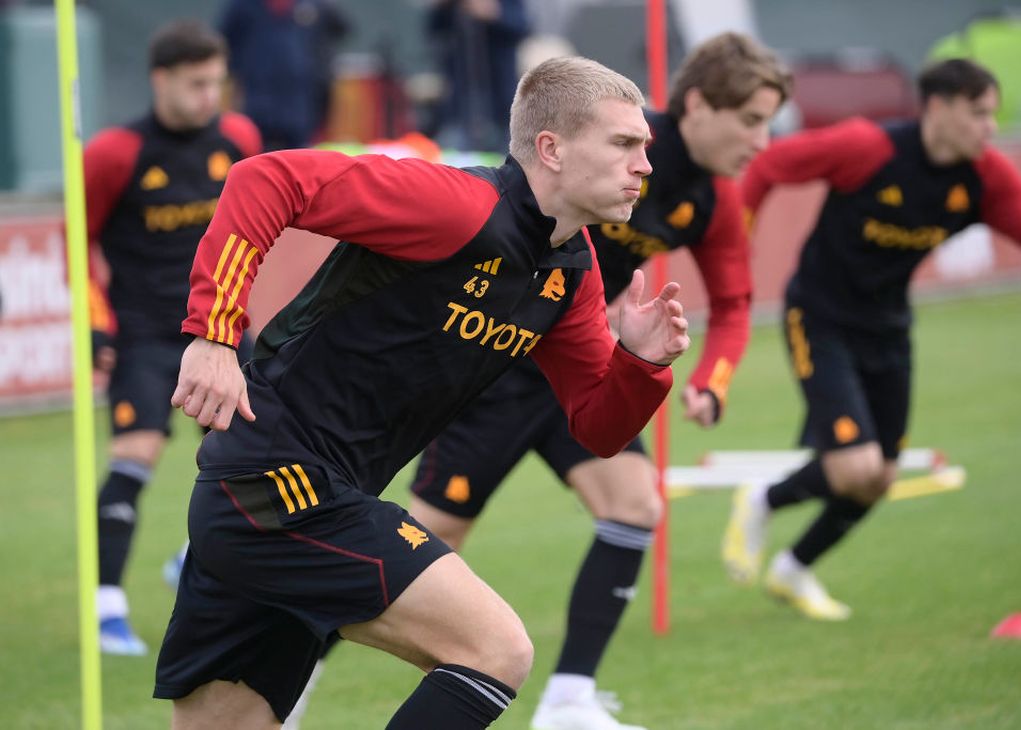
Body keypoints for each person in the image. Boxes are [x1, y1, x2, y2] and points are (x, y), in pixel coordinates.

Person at [153, 56, 690, 729]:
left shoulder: (570, 273)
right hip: (276, 484)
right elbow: (268, 178)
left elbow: (598, 429)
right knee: (496, 649)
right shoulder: (456, 205)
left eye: (644, 146)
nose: (644, 164)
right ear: (550, 149)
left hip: (299, 497)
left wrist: (639, 363)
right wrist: (212, 332)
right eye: (624, 144)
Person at [406, 32, 791, 730]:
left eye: (769, 122)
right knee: (421, 545)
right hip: (499, 365)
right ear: (699, 105)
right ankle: (296, 665)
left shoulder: (710, 199)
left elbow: (734, 304)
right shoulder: (610, 138)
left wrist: (714, 380)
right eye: (750, 120)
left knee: (635, 504)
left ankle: (569, 701)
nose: (761, 141)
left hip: (582, 367)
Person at [724, 58, 1021, 621]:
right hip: (819, 314)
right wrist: (735, 247)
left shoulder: (984, 176)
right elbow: (769, 165)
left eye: (993, 115)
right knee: (852, 468)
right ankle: (762, 498)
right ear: (937, 108)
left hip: (888, 327)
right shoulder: (869, 147)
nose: (990, 127)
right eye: (979, 113)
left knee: (879, 478)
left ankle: (793, 569)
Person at [83, 20, 261, 656]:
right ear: (160, 80)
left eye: (217, 82)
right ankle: (107, 608)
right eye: (196, 83)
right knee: (136, 454)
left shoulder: (238, 138)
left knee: (245, 457)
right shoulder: (113, 154)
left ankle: (191, 557)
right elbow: (76, 244)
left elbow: (259, 231)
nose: (209, 96)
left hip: (218, 333)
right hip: (145, 337)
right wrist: (95, 318)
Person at [220, 0, 348, 150]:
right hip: (257, 103)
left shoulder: (314, 5)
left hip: (300, 107)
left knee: (298, 161)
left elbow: (341, 28)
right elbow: (225, 44)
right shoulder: (242, 6)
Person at [427, 0, 532, 151]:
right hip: (459, 101)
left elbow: (522, 26)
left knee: (505, 157)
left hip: (499, 100)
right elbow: (434, 31)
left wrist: (494, 13)